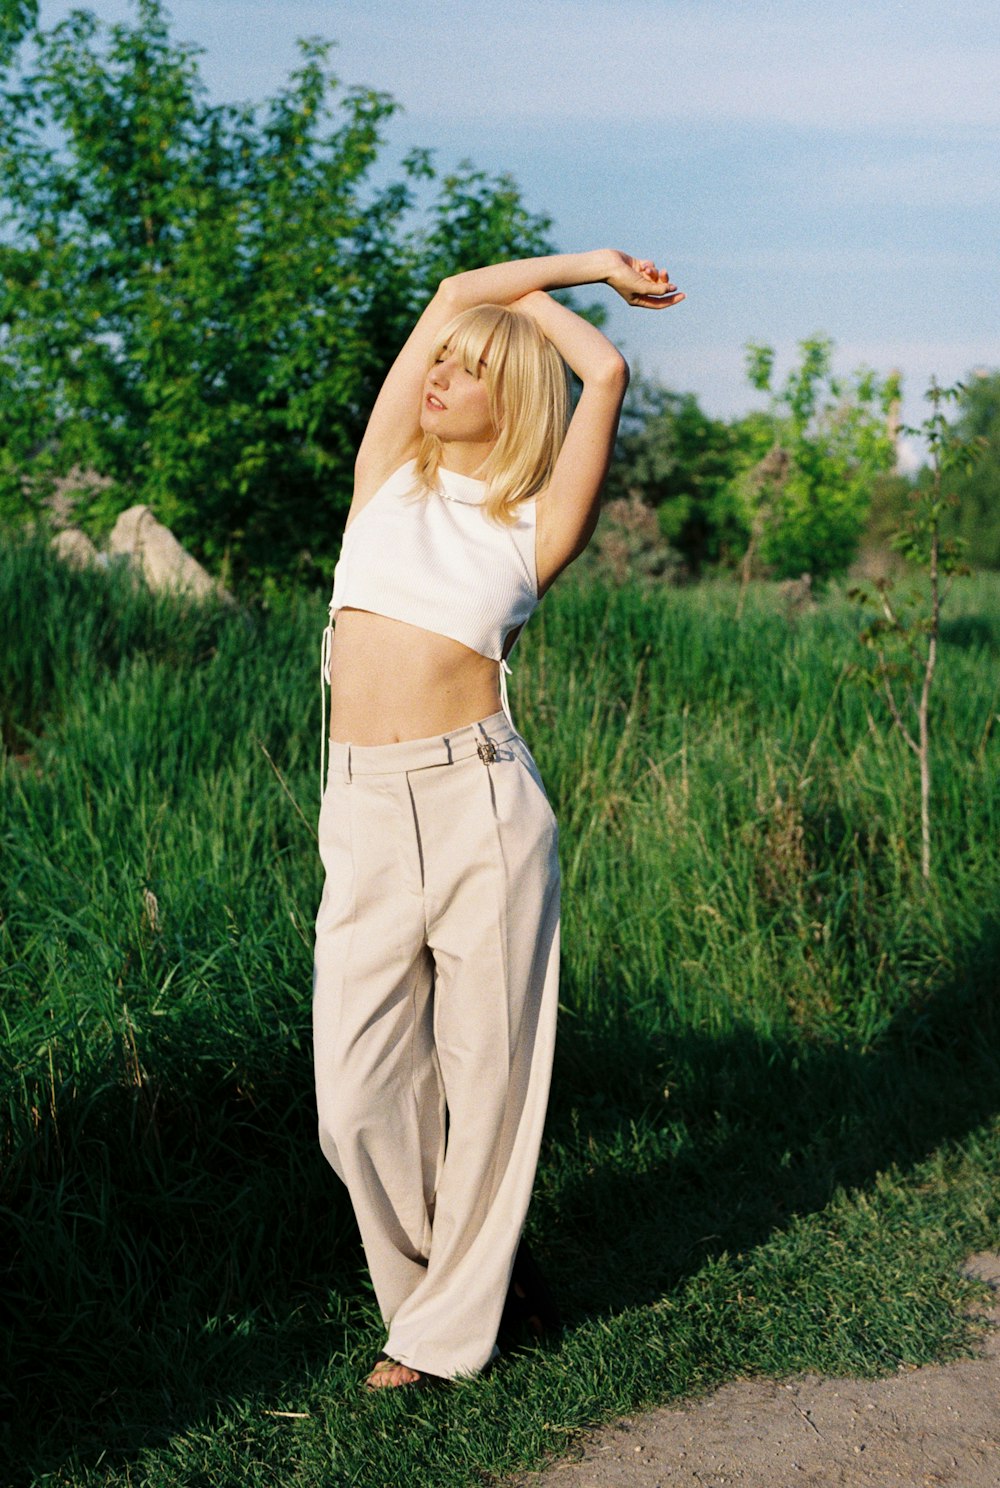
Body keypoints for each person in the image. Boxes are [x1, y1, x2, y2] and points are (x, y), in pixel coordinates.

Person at [312, 249, 684, 1389]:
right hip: (364, 811)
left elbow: (606, 368)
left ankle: (429, 1341)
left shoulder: (530, 524)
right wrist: (576, 268)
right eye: (444, 360)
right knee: (356, 1097)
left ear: (512, 400)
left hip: (480, 802)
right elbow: (450, 291)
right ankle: (466, 1283)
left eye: (471, 370)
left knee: (489, 1076)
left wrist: (564, 315)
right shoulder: (386, 476)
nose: (443, 372)